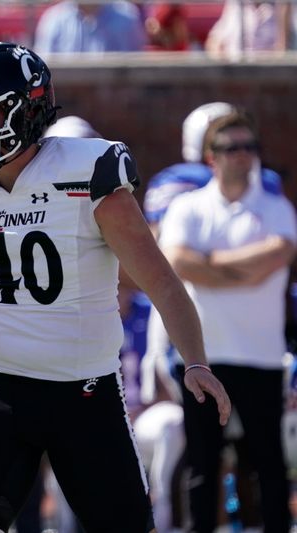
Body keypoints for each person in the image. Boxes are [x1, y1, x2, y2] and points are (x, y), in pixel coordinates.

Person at [0, 42, 232, 532]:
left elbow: (161, 281)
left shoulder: (86, 174)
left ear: (24, 111)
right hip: (0, 388)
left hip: (85, 394)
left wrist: (195, 360)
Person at [158, 109, 295, 533]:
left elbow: (277, 257)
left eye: (249, 148)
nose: (243, 156)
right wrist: (243, 269)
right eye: (232, 148)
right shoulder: (187, 207)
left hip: (262, 357)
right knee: (203, 464)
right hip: (204, 357)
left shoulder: (275, 207)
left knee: (268, 465)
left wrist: (210, 266)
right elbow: (178, 263)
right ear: (211, 157)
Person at [33, 1, 147, 54]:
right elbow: (44, 72)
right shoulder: (54, 18)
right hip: (66, 99)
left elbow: (136, 71)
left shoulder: (127, 15)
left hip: (117, 99)